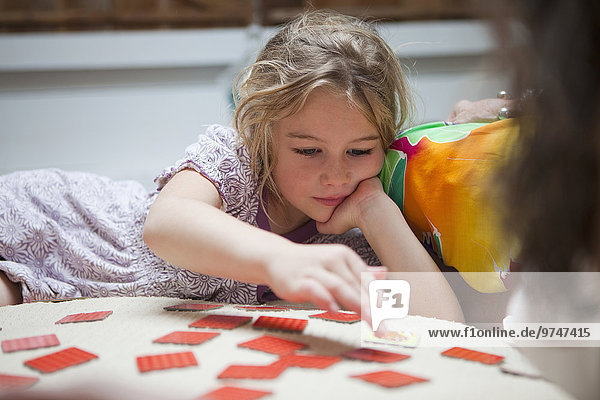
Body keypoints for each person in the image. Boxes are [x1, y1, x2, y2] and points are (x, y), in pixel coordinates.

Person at [0, 11, 463, 323]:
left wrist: (377, 212)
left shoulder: (351, 235)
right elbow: (167, 224)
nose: (337, 176)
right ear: (263, 133)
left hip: (42, 292)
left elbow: (438, 327)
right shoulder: (236, 161)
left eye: (360, 151)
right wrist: (284, 259)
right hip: (53, 223)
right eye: (308, 151)